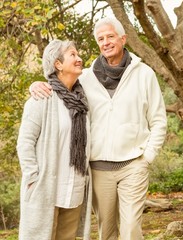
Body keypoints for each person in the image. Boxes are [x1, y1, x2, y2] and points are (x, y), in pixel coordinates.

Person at [30, 17, 167, 240]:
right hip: (98, 168)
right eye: (100, 39)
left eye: (110, 36)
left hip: (134, 163)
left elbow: (159, 119)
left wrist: (148, 157)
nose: (106, 42)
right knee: (106, 231)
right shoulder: (84, 77)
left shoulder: (144, 74)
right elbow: (59, 86)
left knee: (131, 228)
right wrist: (36, 84)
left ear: (123, 38)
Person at [17, 39, 92, 240]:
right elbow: (25, 143)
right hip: (46, 191)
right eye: (73, 55)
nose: (79, 58)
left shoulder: (82, 101)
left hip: (73, 190)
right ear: (58, 64)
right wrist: (33, 177)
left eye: (78, 54)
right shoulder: (41, 99)